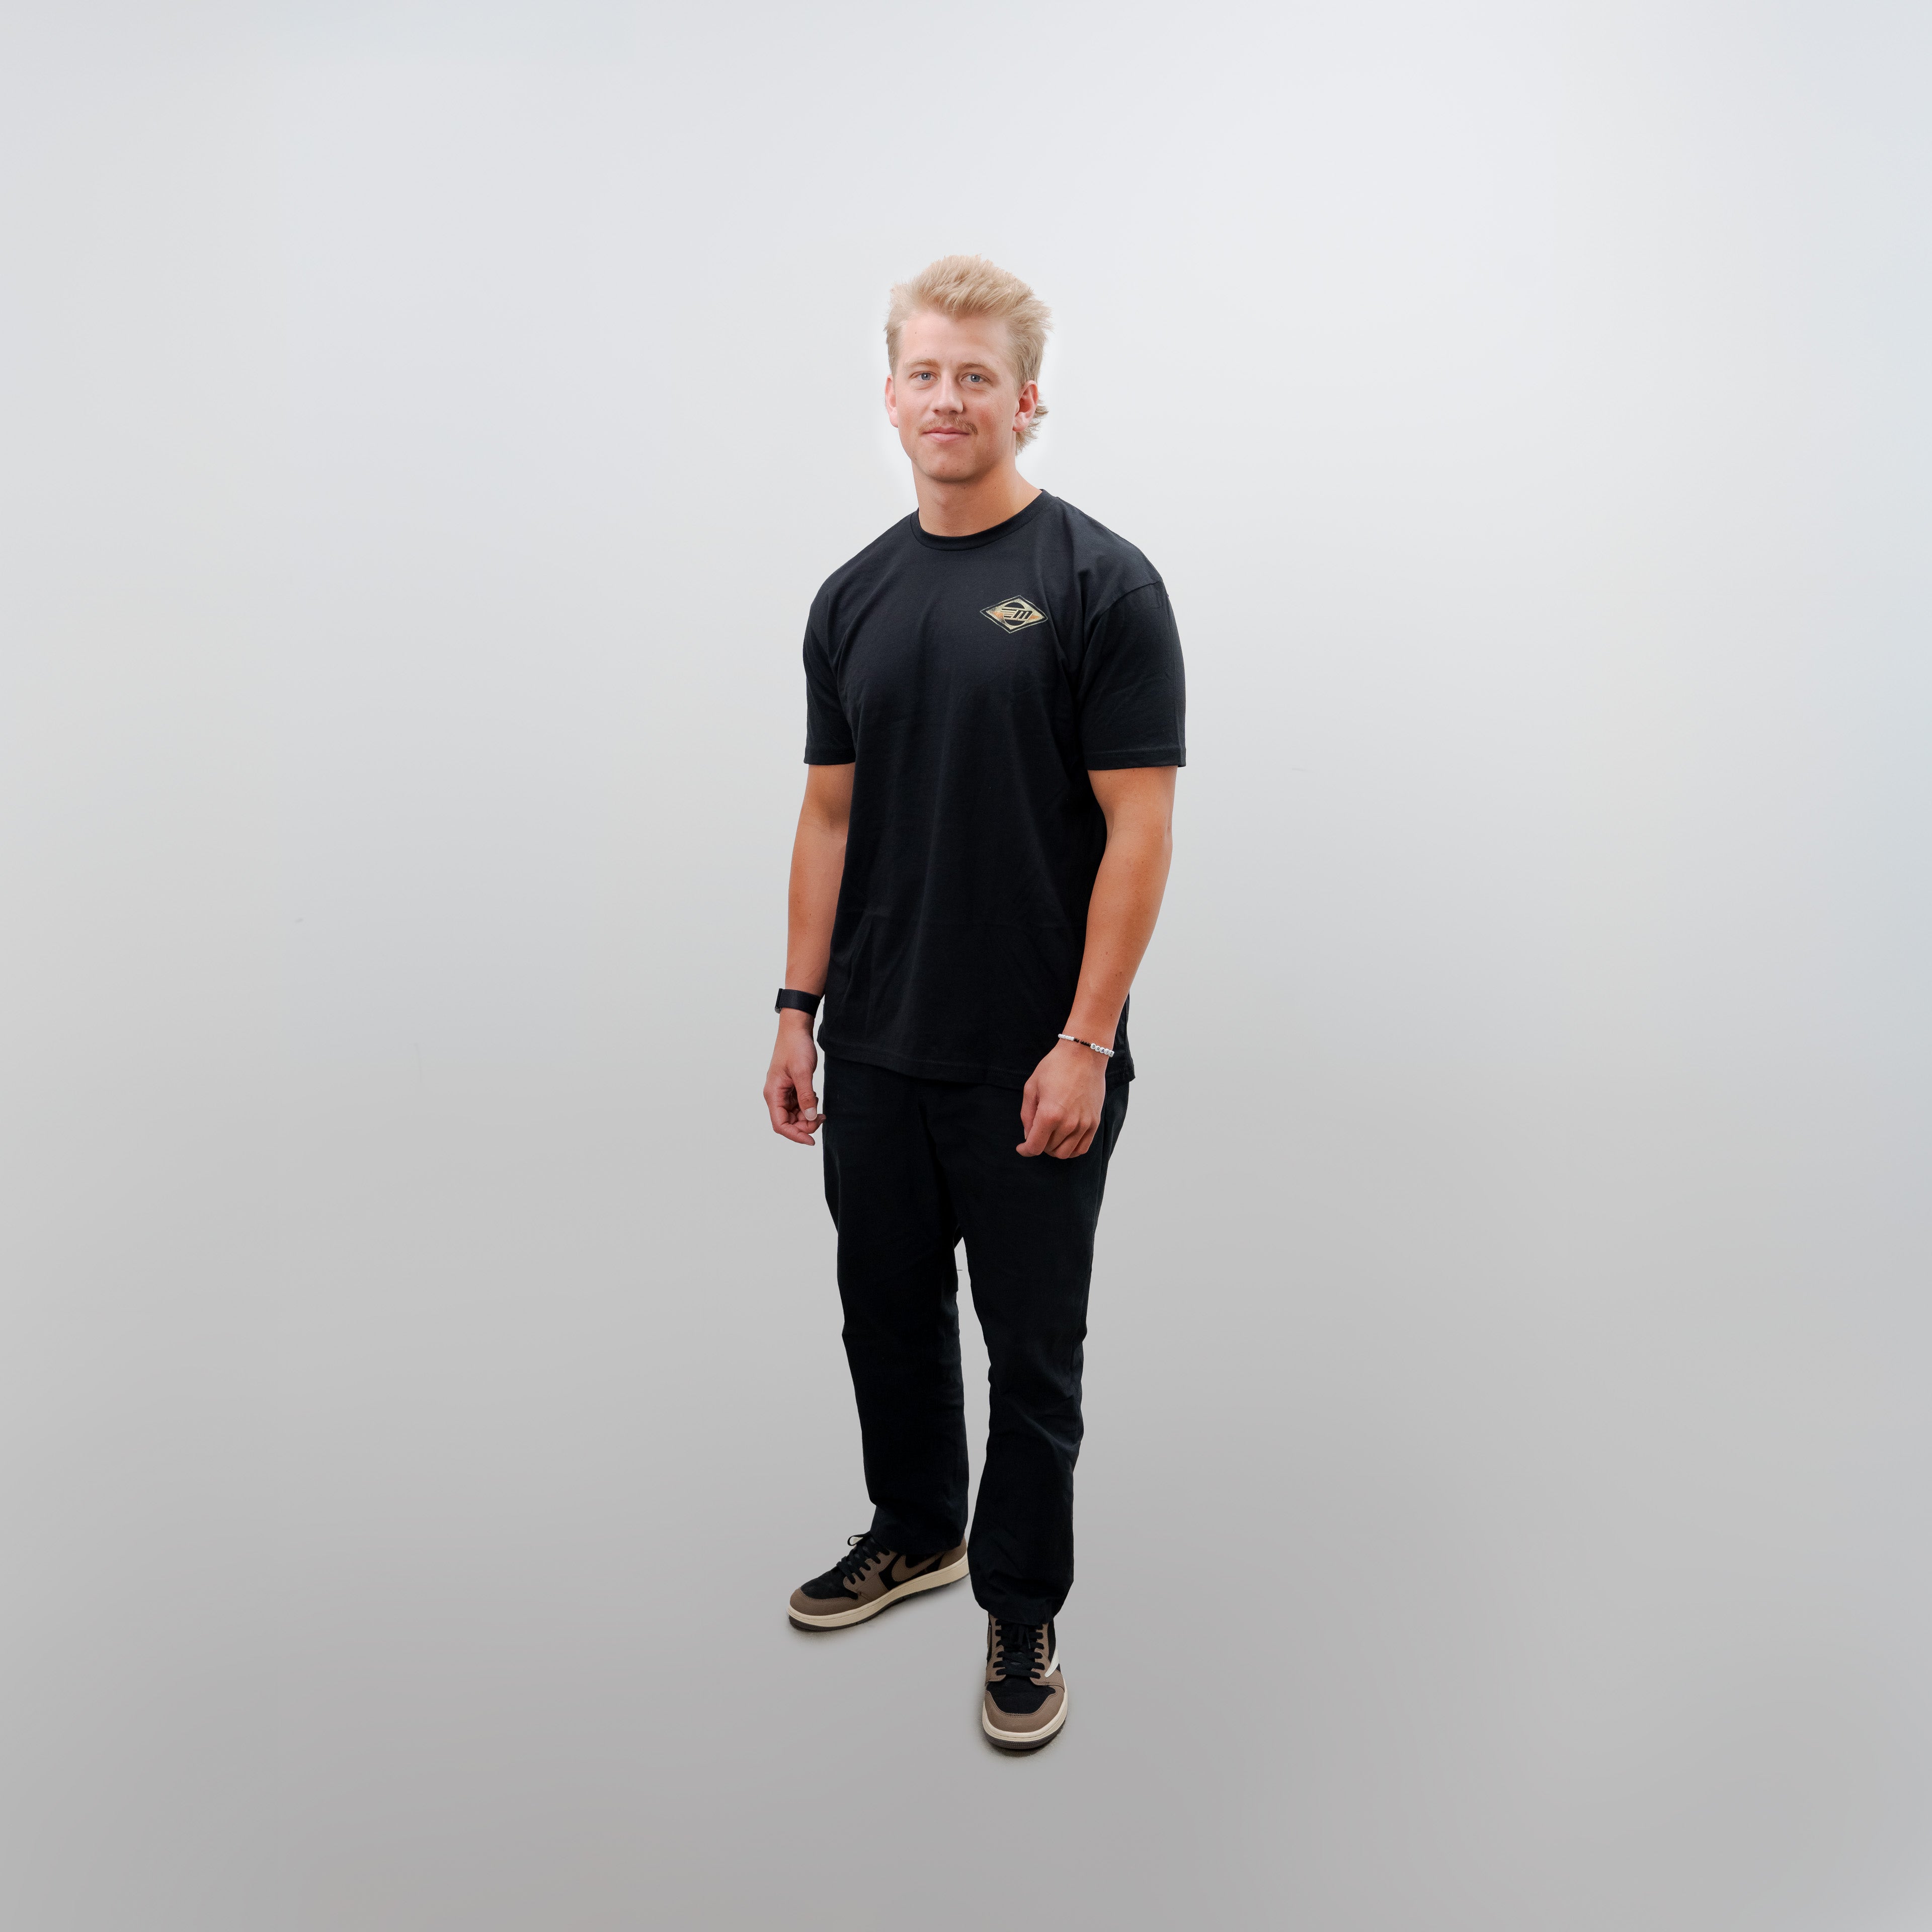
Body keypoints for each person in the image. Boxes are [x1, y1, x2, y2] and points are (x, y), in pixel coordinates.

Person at [762, 255, 1185, 1751]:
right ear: (891, 397)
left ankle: (1020, 1602)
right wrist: (796, 1007)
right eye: (925, 375)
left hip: (1033, 1053)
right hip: (876, 1039)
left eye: (976, 377)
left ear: (1027, 398)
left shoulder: (1101, 584)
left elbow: (1140, 827)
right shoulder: (853, 597)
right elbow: (829, 815)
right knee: (884, 1314)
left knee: (1032, 1353)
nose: (949, 400)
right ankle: (916, 1531)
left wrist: (1087, 1040)